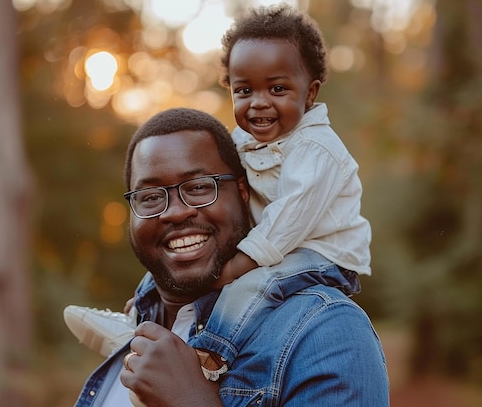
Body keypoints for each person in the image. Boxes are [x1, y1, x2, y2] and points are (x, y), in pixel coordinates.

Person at [66, 2, 372, 373]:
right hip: (272, 243)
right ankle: (136, 323)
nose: (259, 103)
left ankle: (207, 355)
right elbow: (214, 174)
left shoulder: (317, 150)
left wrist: (239, 264)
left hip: (319, 253)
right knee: (175, 247)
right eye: (244, 91)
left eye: (277, 88)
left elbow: (290, 219)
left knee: (251, 285)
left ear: (310, 93)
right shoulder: (247, 139)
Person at [72, 107, 389, 407]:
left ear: (242, 192)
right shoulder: (136, 345)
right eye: (151, 197)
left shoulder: (326, 331)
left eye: (198, 187)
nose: (176, 212)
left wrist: (191, 400)